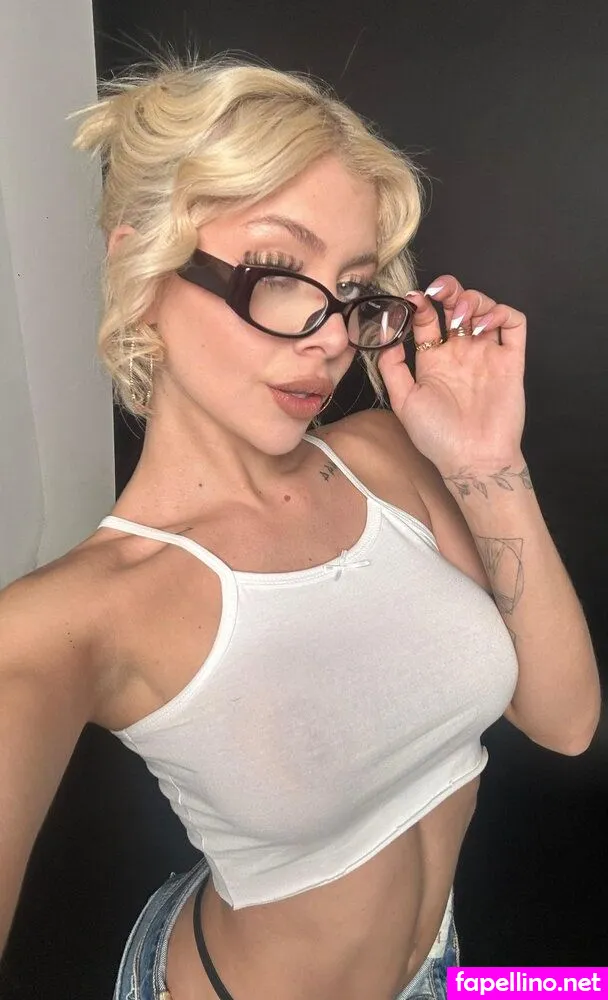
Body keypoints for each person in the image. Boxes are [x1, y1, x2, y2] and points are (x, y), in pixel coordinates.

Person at [0, 55, 600, 1000]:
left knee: (585, 989)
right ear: (141, 267)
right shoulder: (71, 618)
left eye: (352, 288)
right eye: (279, 272)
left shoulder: (389, 457)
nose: (329, 338)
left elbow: (566, 723)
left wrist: (486, 460)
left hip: (455, 971)